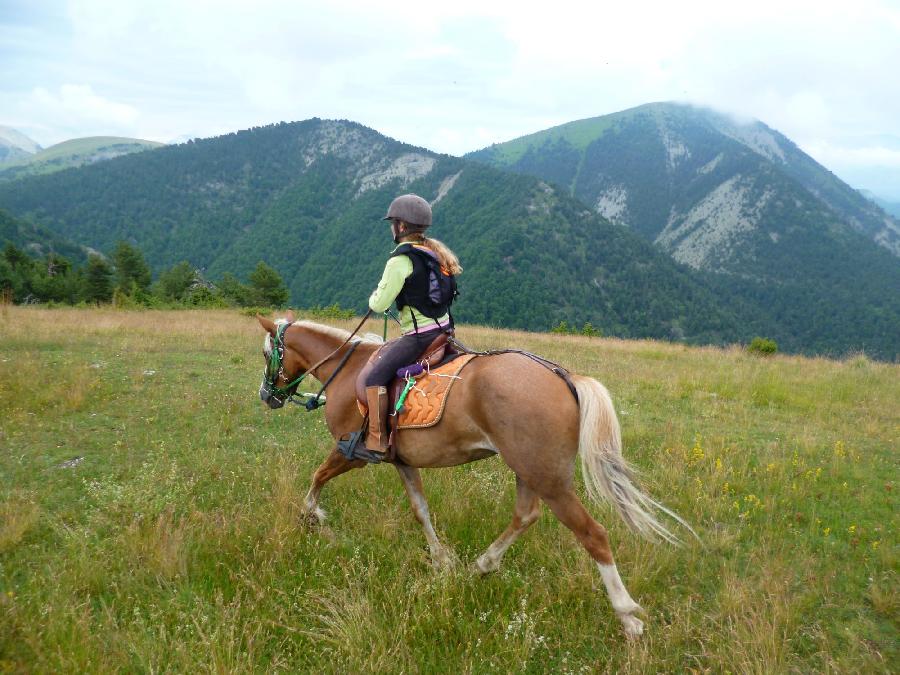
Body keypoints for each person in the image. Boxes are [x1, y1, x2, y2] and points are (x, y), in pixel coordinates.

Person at [357, 193, 462, 458]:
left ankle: (377, 441)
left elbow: (379, 304)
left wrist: (374, 296)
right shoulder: (434, 254)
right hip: (445, 331)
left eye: (393, 223)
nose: (392, 227)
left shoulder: (400, 260)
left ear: (401, 226)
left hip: (419, 337)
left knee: (374, 378)